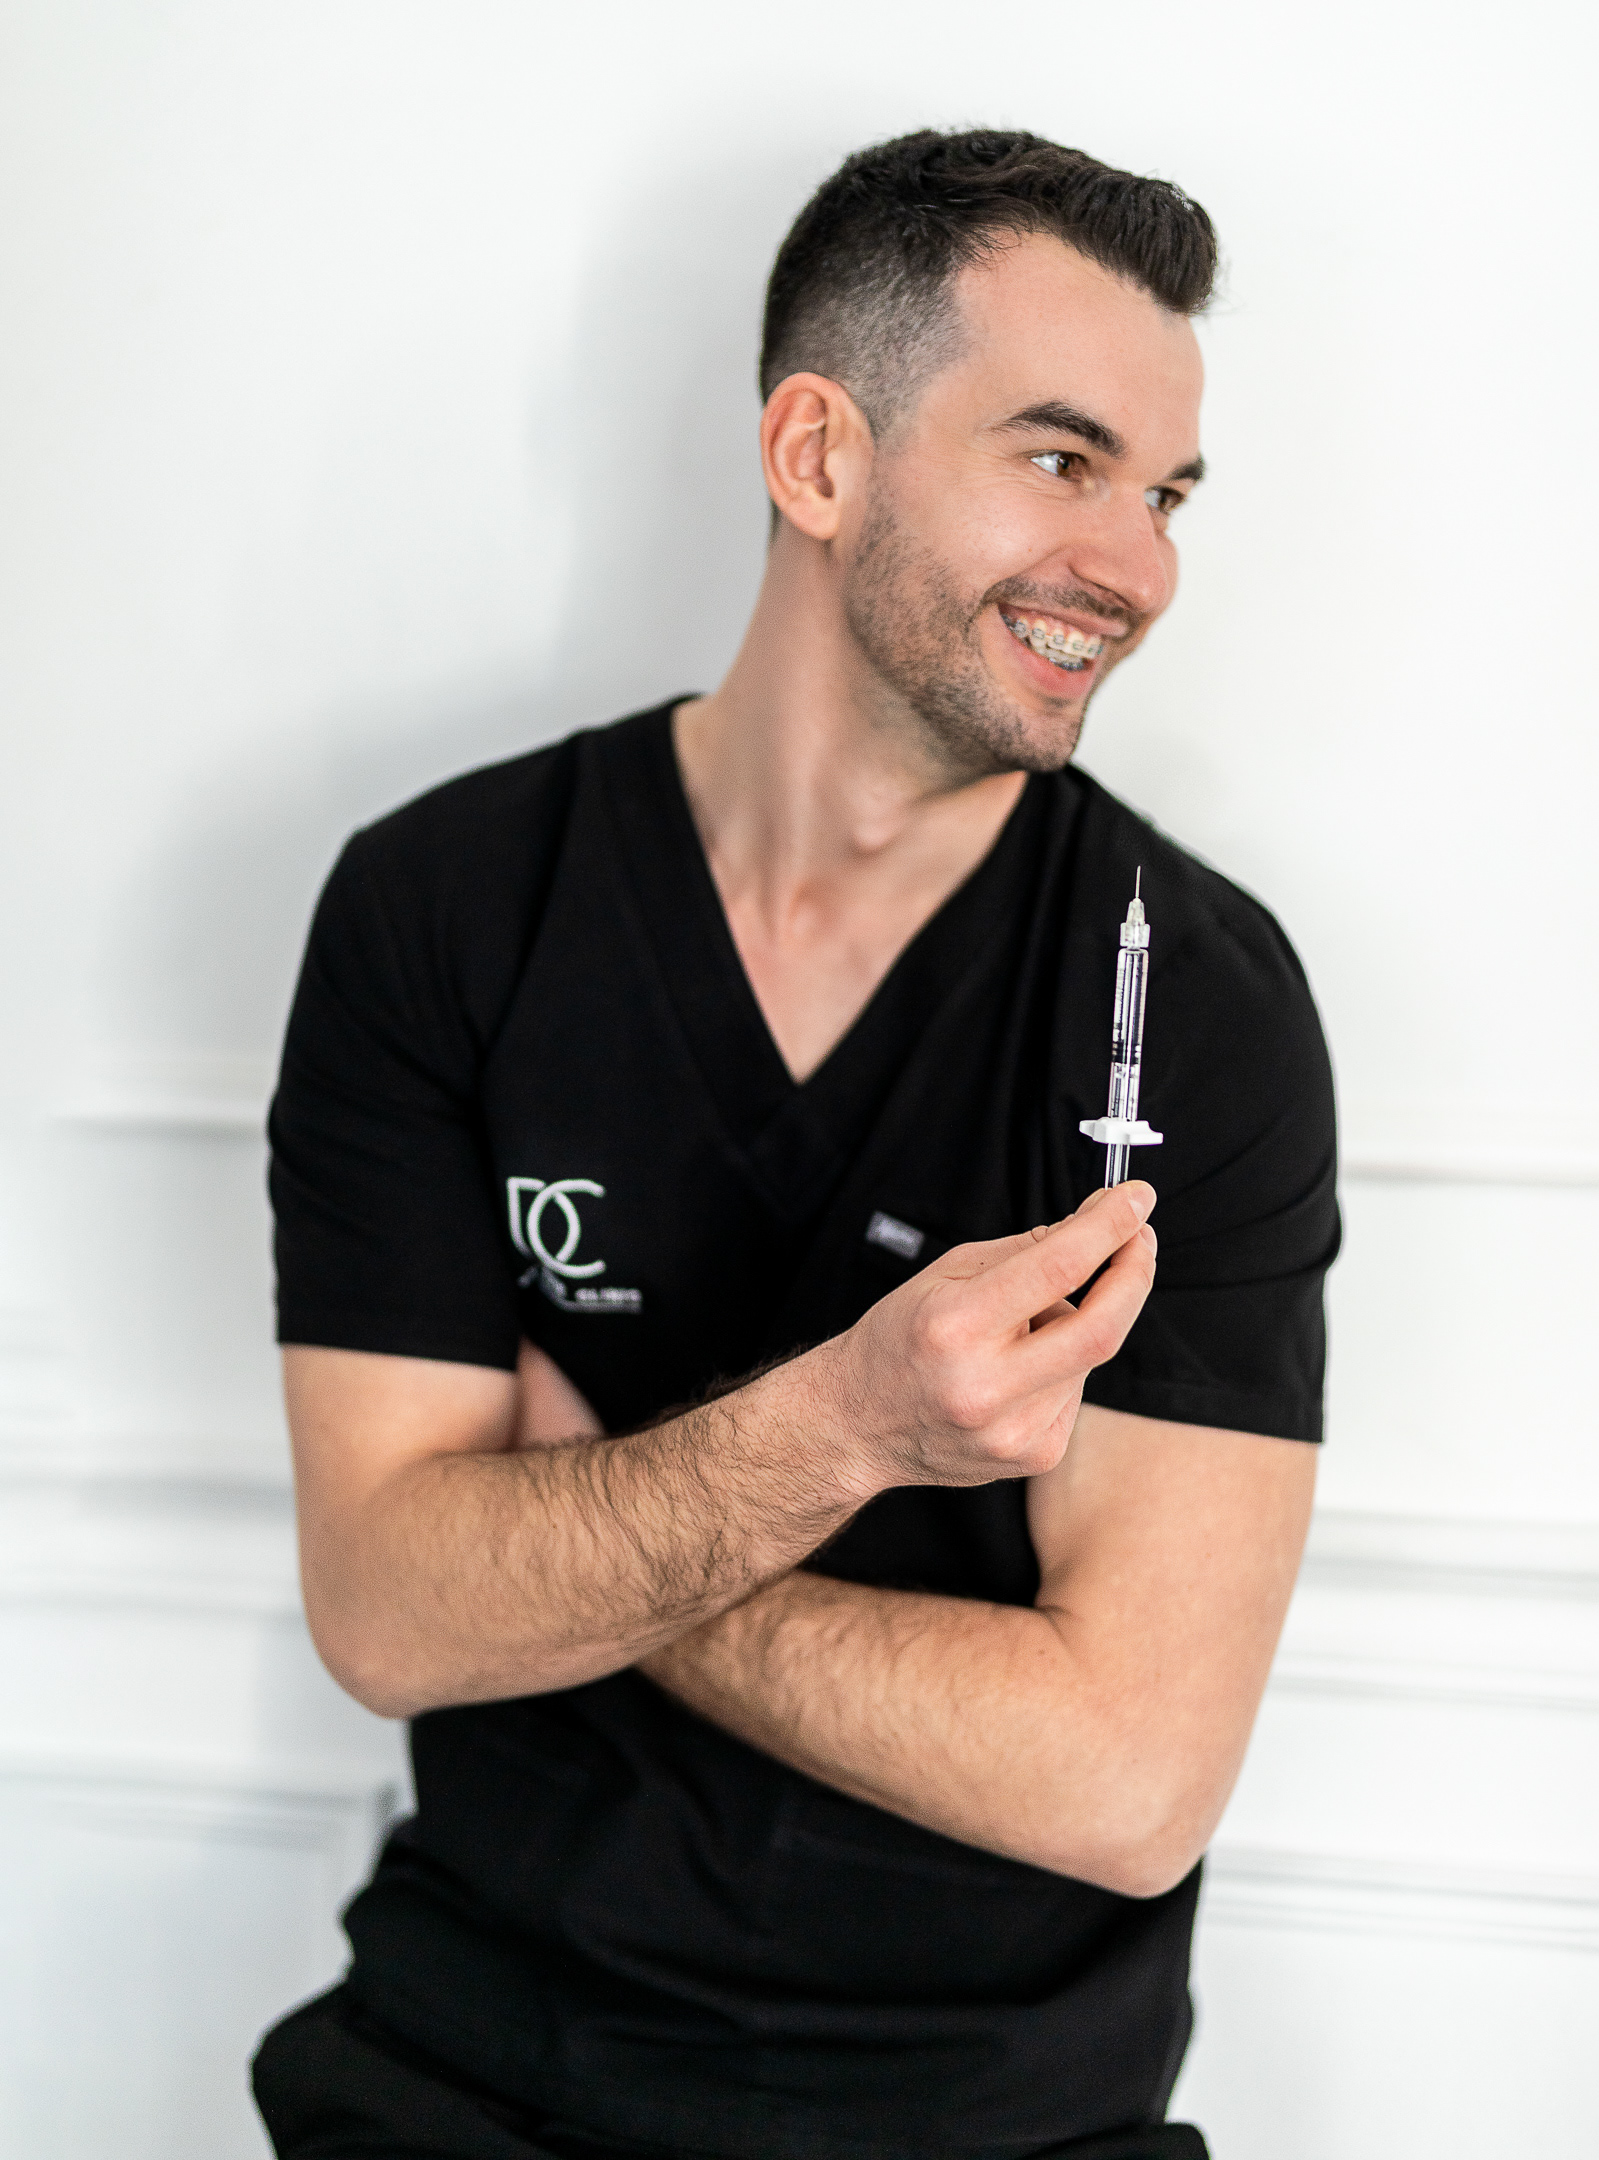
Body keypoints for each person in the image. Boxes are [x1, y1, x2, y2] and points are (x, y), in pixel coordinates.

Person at [253, 127, 1340, 2160]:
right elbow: (388, 1618)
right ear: (819, 456)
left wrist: (583, 1519)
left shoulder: (1197, 1003)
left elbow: (1127, 1782)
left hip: (989, 2128)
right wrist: (844, 1430)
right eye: (1062, 458)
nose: (1138, 566)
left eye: (1166, 494)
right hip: (463, 2081)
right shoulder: (444, 910)